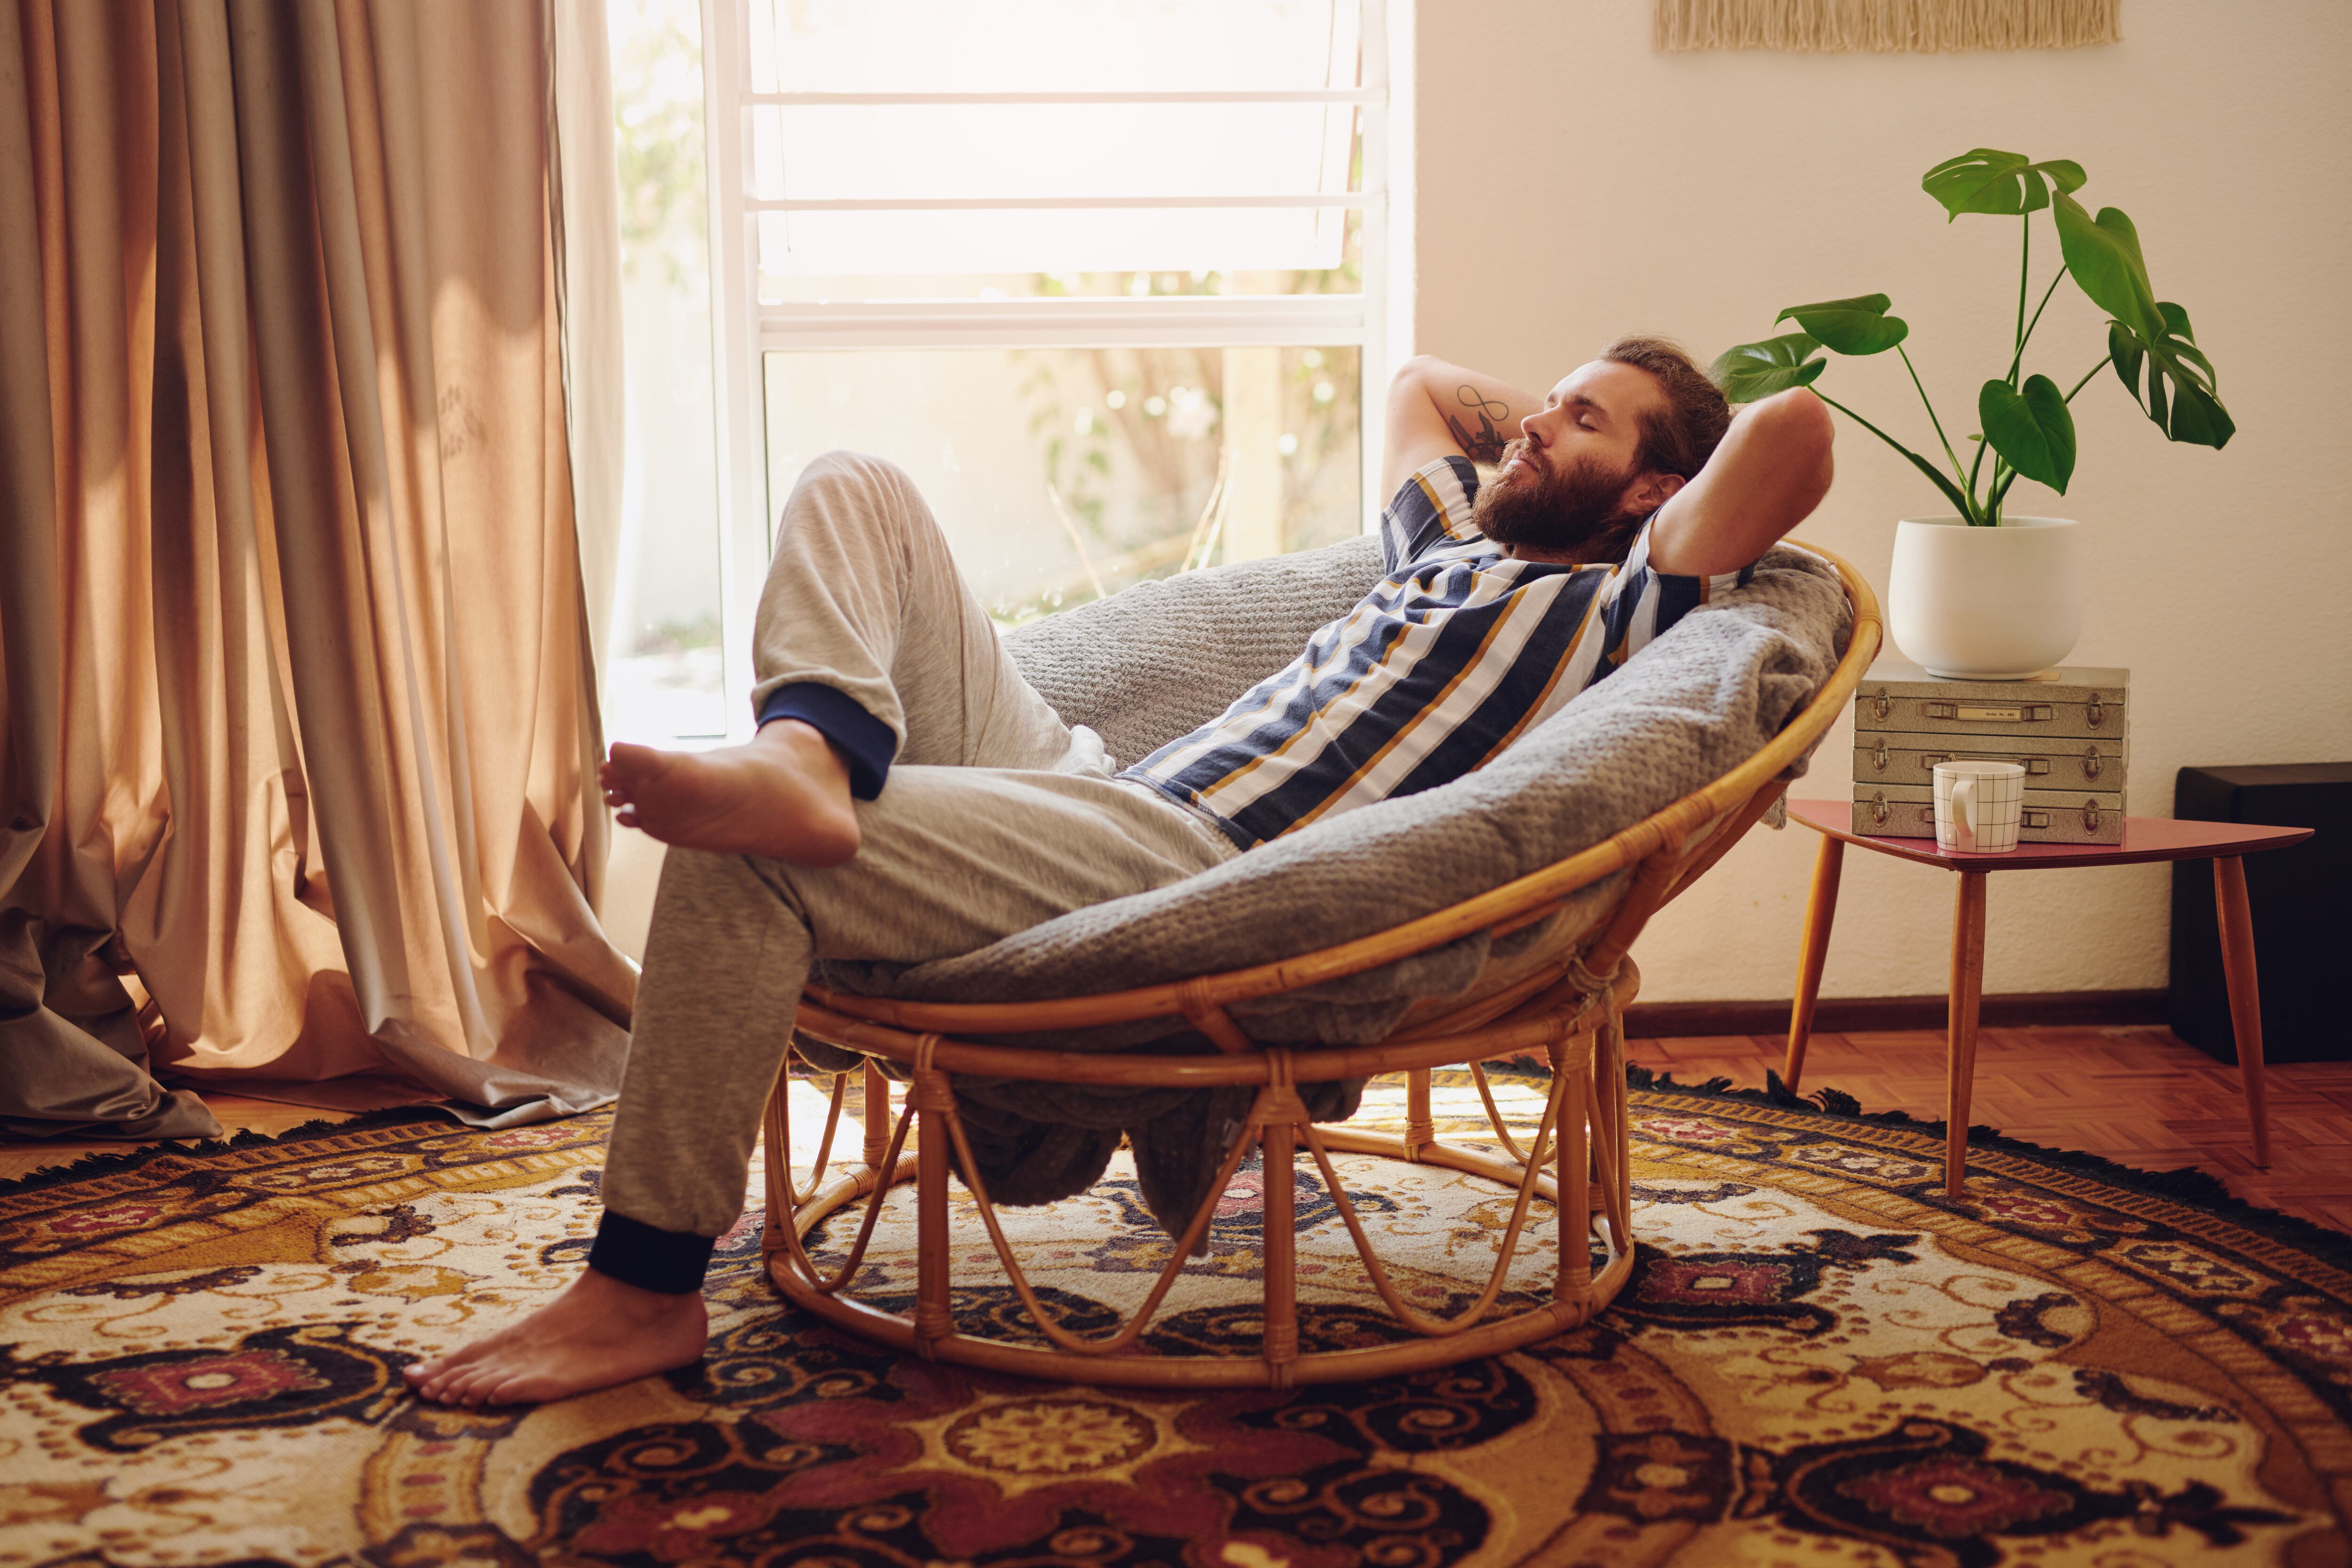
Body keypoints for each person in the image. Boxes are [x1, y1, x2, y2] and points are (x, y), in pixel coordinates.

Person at [405, 336, 1835, 1406]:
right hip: (1097, 789)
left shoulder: (1634, 598)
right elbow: (1419, 382)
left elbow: (1795, 431)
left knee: (740, 865)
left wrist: (1648, 476)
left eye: (1582, 421)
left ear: (1658, 485)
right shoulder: (1450, 547)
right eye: (1540, 407)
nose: (1528, 423)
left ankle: (642, 1287)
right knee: (861, 486)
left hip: (1189, 862)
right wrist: (1550, 428)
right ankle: (810, 750)